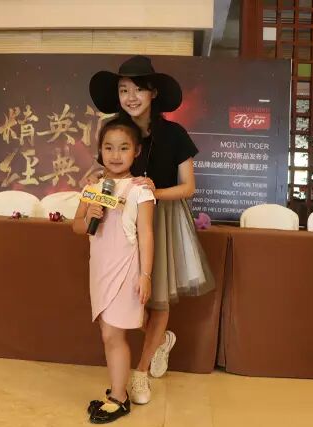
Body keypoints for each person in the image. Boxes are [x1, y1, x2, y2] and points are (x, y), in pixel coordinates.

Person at [89, 55, 215, 404]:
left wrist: (149, 193)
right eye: (123, 90)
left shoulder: (174, 134)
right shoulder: (115, 130)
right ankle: (161, 339)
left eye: (138, 89)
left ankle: (141, 372)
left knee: (156, 295)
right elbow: (107, 173)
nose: (130, 97)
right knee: (127, 296)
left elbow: (188, 187)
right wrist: (99, 184)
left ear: (153, 93)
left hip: (161, 219)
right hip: (119, 222)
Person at [73, 117, 155, 424]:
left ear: (136, 151)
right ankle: (117, 391)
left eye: (123, 148)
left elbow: (146, 234)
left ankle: (119, 398)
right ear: (100, 150)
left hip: (126, 269)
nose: (115, 155)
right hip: (100, 269)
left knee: (112, 333)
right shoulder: (93, 187)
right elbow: (77, 226)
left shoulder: (140, 190)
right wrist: (89, 216)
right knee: (107, 333)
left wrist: (145, 275)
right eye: (108, 148)